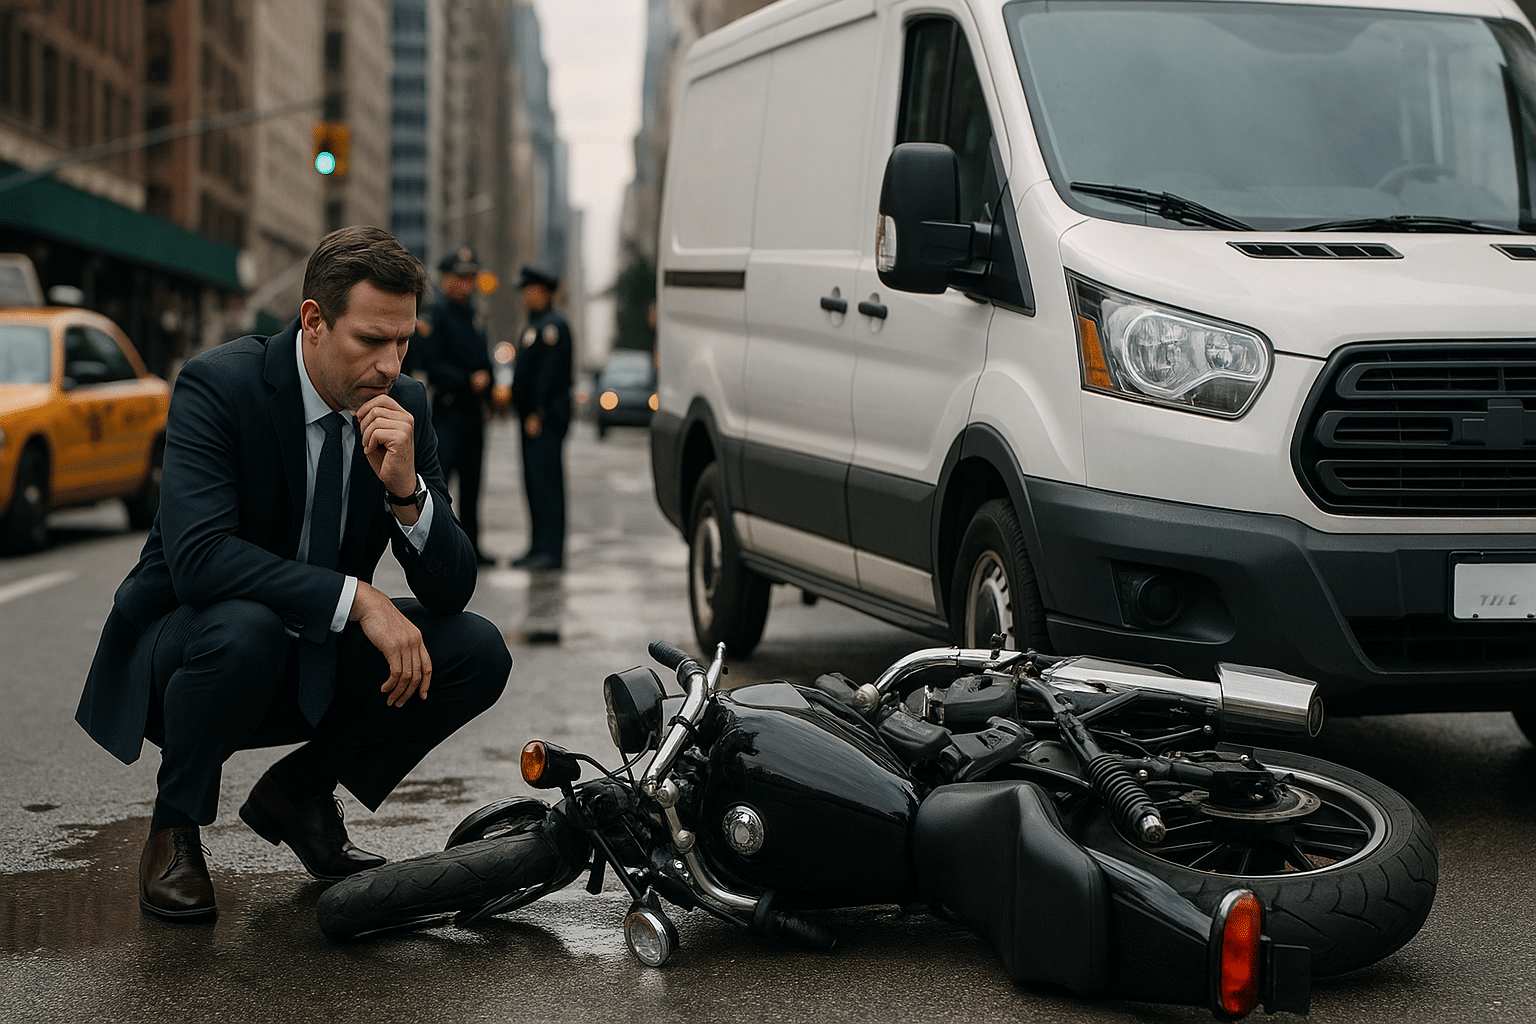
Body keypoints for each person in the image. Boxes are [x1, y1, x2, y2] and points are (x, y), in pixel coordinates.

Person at [75, 226, 512, 921]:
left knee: (476, 650)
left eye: (403, 342)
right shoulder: (220, 385)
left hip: (309, 651)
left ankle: (301, 793)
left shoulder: (406, 408)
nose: (389, 364)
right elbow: (199, 561)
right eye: (371, 340)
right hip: (190, 652)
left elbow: (451, 589)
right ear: (313, 321)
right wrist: (358, 598)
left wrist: (407, 493)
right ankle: (173, 828)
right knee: (245, 628)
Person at [421, 247, 495, 567]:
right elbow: (432, 364)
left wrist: (489, 388)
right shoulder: (435, 315)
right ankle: (440, 548)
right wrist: (467, 380)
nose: (466, 284)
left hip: (472, 412)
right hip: (448, 410)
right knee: (441, 484)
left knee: (472, 482)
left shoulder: (473, 313)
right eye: (460, 277)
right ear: (446, 278)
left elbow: (484, 358)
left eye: (470, 278)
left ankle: (471, 547)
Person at [509, 265, 573, 571]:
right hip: (529, 418)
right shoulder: (535, 324)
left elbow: (549, 377)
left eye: (530, 290)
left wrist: (537, 411)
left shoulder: (553, 327)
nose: (526, 296)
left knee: (547, 484)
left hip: (543, 419)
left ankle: (550, 550)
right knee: (533, 484)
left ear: (544, 292)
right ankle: (537, 546)